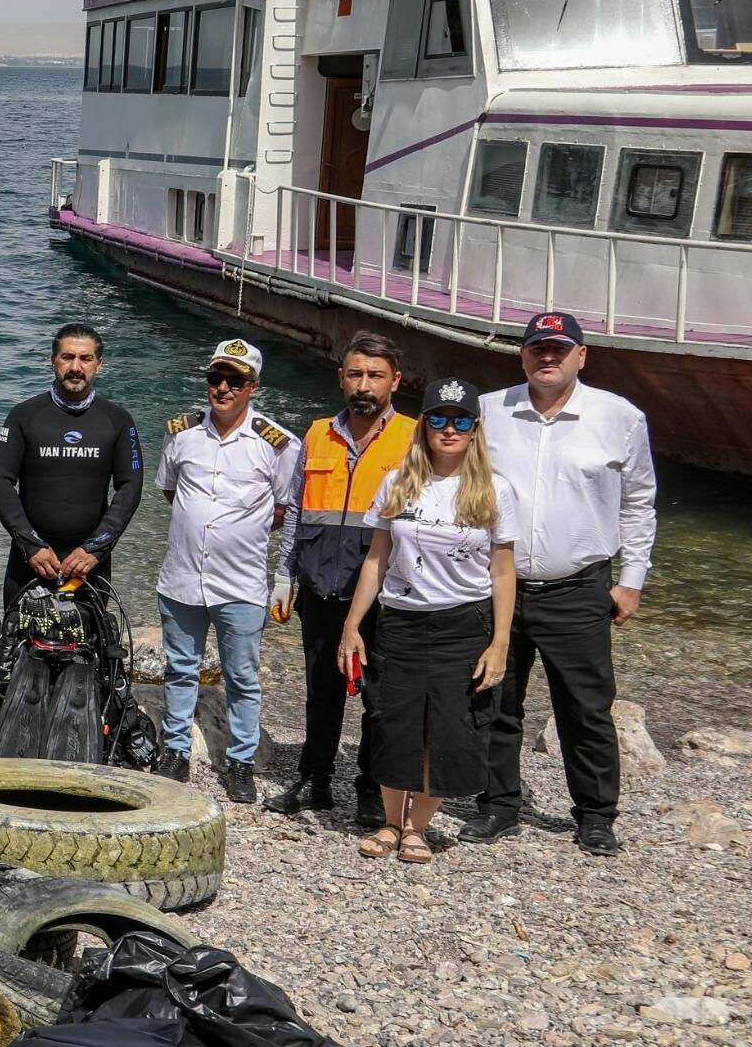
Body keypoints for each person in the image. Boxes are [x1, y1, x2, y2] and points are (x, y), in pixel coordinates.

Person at [467, 313, 657, 855]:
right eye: (537, 348)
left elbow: (640, 504)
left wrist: (632, 581)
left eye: (559, 348)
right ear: (522, 355)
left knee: (586, 707)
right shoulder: (489, 411)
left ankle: (596, 814)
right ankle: (498, 803)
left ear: (581, 355)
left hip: (578, 587)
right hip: (496, 584)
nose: (547, 357)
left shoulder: (618, 417)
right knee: (494, 698)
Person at [338, 379, 518, 866]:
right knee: (392, 722)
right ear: (425, 426)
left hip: (463, 623)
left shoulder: (495, 490)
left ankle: (420, 826)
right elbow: (376, 559)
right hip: (401, 620)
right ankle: (392, 821)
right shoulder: (398, 481)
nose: (449, 429)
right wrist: (353, 625)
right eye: (438, 418)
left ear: (475, 429)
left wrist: (500, 641)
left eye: (460, 420)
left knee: (452, 727)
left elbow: (503, 572)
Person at [266, 332, 414, 826]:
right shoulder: (315, 435)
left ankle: (371, 789)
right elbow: (299, 514)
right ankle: (315, 780)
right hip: (322, 587)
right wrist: (284, 578)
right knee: (321, 691)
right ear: (341, 378)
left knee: (378, 697)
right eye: (355, 374)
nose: (364, 386)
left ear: (395, 380)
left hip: (386, 594)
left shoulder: (414, 439)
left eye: (375, 376)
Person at [150, 339, 301, 802]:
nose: (222, 388)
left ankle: (240, 761)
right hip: (181, 576)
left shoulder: (277, 443)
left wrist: (279, 572)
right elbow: (170, 490)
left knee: (242, 676)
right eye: (215, 378)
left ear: (253, 386)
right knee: (180, 667)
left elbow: (287, 509)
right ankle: (174, 751)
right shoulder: (181, 433)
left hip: (241, 582)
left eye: (234, 380)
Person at [0, 323, 142, 606]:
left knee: (91, 648)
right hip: (29, 560)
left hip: (89, 564)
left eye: (85, 359)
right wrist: (31, 545)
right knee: (16, 646)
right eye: (67, 357)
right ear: (53, 361)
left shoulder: (117, 420)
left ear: (99, 365)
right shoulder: (24, 415)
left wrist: (95, 548)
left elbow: (130, 488)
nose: (75, 367)